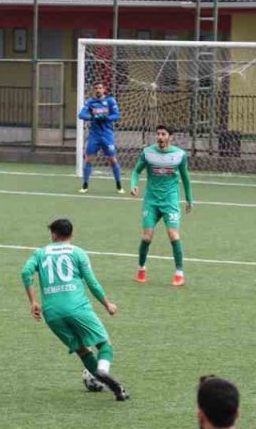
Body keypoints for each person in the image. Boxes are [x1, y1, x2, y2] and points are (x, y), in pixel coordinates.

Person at [20, 217, 128, 401]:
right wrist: (107, 304)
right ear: (72, 234)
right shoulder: (78, 252)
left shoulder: (40, 253)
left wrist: (33, 302)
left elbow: (25, 273)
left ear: (53, 235)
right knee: (104, 344)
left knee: (82, 350)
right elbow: (92, 282)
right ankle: (102, 371)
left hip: (52, 313)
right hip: (77, 308)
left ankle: (101, 377)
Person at [130, 124, 194, 287]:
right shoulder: (148, 153)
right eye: (158, 134)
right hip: (151, 201)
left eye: (163, 134)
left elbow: (185, 178)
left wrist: (189, 199)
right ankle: (141, 270)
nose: (160, 137)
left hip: (170, 201)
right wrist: (134, 184)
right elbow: (136, 171)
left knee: (173, 234)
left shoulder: (179, 155)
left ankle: (179, 273)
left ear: (170, 137)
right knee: (147, 236)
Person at [77, 80, 122, 193]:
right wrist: (93, 118)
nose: (98, 90)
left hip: (107, 135)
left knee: (112, 159)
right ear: (94, 90)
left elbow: (117, 115)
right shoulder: (90, 102)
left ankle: (119, 185)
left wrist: (106, 118)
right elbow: (81, 115)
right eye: (96, 88)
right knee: (88, 159)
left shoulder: (110, 101)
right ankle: (85, 185)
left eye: (100, 88)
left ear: (104, 89)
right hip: (94, 135)